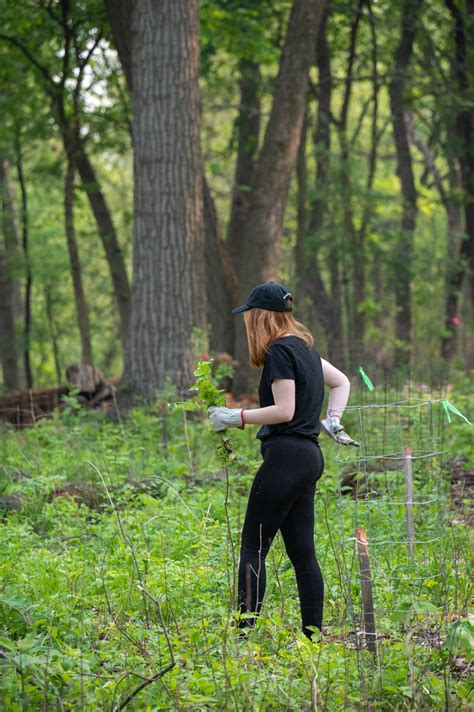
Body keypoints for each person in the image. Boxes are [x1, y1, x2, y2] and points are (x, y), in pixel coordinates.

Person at [208, 282, 359, 641]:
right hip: (309, 457)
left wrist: (235, 417)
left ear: (261, 317)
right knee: (302, 553)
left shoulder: (279, 351)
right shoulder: (305, 349)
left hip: (287, 457)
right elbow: (342, 382)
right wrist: (333, 419)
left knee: (253, 547)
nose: (248, 324)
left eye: (250, 316)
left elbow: (284, 410)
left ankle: (243, 638)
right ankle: (313, 639)